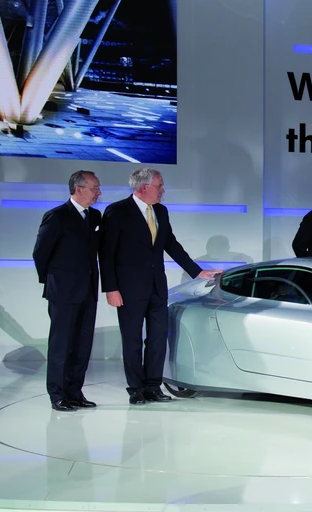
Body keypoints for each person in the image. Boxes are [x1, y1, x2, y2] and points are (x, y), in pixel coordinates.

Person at [100, 168, 219, 405]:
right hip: (128, 289)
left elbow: (171, 244)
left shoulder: (161, 211)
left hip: (157, 287)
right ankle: (136, 389)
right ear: (144, 187)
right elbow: (106, 253)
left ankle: (153, 386)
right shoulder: (117, 211)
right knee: (132, 340)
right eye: (159, 186)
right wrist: (111, 289)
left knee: (157, 338)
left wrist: (197, 271)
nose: (163, 190)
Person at [32, 171, 102, 411]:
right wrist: (53, 281)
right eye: (94, 188)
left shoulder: (95, 216)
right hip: (63, 292)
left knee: (82, 345)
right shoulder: (57, 216)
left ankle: (75, 392)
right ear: (78, 189)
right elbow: (40, 254)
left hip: (88, 291)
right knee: (61, 345)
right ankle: (57, 394)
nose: (98, 193)